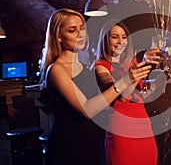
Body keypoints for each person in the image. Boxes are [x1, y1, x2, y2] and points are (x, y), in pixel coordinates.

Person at [39, 9, 152, 165]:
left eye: (82, 28)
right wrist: (125, 81)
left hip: (91, 142)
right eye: (72, 30)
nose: (80, 34)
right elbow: (86, 109)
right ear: (58, 37)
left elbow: (105, 103)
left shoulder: (86, 68)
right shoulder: (56, 69)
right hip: (68, 145)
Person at [94, 19, 160, 165]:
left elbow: (139, 96)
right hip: (122, 129)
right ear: (105, 39)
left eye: (124, 37)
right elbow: (121, 98)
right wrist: (134, 75)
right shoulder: (101, 66)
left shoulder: (131, 63)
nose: (121, 41)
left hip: (143, 125)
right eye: (115, 37)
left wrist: (155, 86)